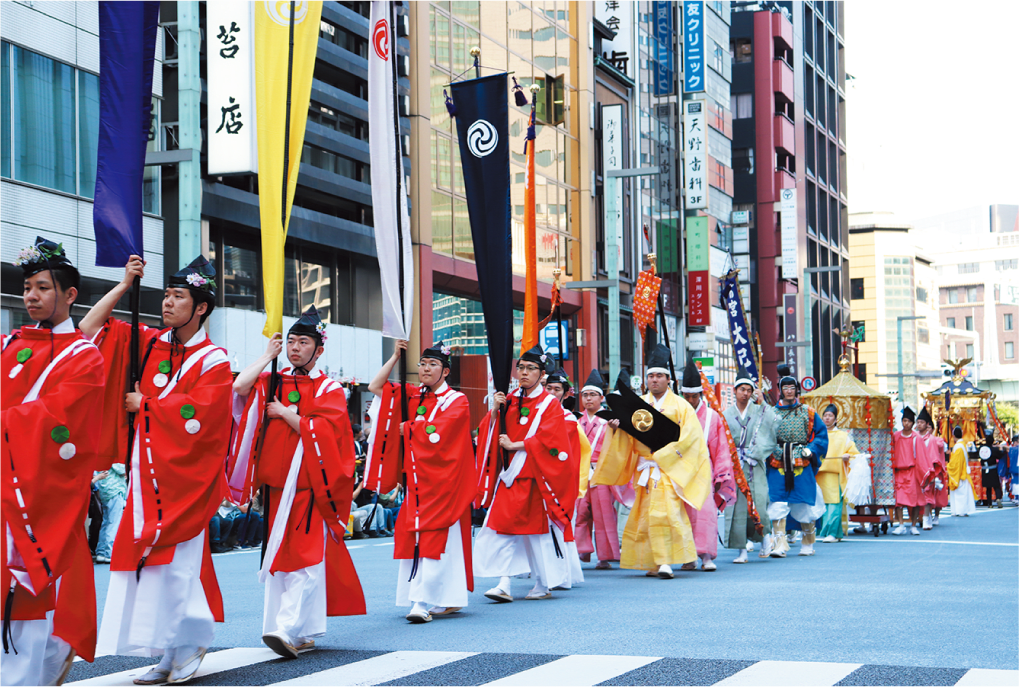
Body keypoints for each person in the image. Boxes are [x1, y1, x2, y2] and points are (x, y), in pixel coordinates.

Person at [84, 255, 232, 684]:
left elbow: (203, 419)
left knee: (177, 568)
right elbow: (89, 329)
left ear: (200, 307)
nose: (167, 303)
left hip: (185, 480)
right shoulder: (148, 343)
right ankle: (171, 651)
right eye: (166, 295)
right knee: (151, 568)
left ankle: (184, 648)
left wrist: (147, 405)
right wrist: (123, 284)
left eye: (178, 296)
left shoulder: (214, 360)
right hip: (145, 475)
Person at [0, 237, 105, 687]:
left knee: (27, 588)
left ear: (69, 294)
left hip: (42, 491)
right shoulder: (9, 345)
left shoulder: (84, 357)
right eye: (27, 287)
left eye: (42, 287)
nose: (31, 296)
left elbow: (60, 420)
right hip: (5, 483)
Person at [230, 307, 365, 657]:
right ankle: (294, 630)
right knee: (279, 557)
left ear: (319, 350)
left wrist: (286, 414)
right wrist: (267, 355)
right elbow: (239, 387)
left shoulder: (329, 388)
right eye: (291, 341)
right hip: (276, 488)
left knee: (305, 558)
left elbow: (328, 434)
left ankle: (288, 628)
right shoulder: (274, 379)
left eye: (303, 342)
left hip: (310, 486)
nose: (294, 348)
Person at [366, 340, 477, 622]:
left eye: (433, 364)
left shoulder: (457, 400)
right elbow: (375, 387)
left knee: (437, 539)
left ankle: (424, 601)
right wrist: (395, 357)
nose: (426, 369)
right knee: (414, 538)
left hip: (444, 482)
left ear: (446, 371)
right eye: (423, 364)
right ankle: (432, 598)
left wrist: (411, 428)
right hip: (417, 481)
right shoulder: (412, 395)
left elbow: (444, 431)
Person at [592, 344, 711, 579]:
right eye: (651, 376)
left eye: (659, 376)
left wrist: (665, 456)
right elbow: (628, 437)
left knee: (666, 513)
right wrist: (616, 429)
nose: (654, 380)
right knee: (645, 515)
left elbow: (691, 438)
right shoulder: (638, 404)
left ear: (668, 379)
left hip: (668, 469)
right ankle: (653, 561)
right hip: (645, 468)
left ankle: (665, 561)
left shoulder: (681, 406)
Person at [474, 345, 578, 601]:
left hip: (536, 477)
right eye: (520, 367)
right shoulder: (509, 399)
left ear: (542, 374)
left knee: (536, 534)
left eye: (531, 368)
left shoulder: (549, 404)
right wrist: (495, 411)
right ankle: (504, 583)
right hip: (509, 477)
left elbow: (552, 440)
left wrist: (516, 445)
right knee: (501, 529)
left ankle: (543, 583)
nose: (523, 372)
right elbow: (487, 432)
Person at [679, 359, 736, 572]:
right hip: (681, 470)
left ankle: (706, 556)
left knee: (705, 514)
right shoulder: (677, 414)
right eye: (686, 396)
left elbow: (720, 448)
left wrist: (721, 474)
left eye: (694, 396)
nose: (690, 400)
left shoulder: (712, 417)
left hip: (704, 471)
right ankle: (688, 556)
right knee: (683, 514)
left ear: (701, 395)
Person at [766, 368, 828, 558]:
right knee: (776, 501)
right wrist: (771, 449)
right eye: (785, 388)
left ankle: (808, 542)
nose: (789, 391)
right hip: (778, 459)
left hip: (802, 460)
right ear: (780, 390)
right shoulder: (771, 413)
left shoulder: (808, 412)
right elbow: (764, 436)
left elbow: (821, 435)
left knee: (804, 502)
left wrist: (810, 450)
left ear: (797, 390)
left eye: (792, 387)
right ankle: (779, 543)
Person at [574, 370, 629, 570]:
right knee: (580, 512)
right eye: (585, 395)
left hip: (601, 472)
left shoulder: (609, 420)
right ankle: (580, 550)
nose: (588, 399)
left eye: (593, 395)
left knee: (603, 514)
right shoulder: (576, 420)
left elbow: (619, 447)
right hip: (581, 473)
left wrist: (615, 431)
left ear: (601, 398)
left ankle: (604, 556)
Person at [539, 369, 587, 589]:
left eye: (557, 389)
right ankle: (542, 571)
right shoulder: (537, 414)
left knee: (559, 522)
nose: (551, 392)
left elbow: (552, 443)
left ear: (566, 394)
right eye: (548, 388)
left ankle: (563, 572)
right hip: (539, 472)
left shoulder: (568, 418)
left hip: (560, 476)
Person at [723, 367, 776, 563]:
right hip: (734, 464)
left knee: (759, 501)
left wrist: (763, 402)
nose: (745, 393)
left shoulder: (760, 411)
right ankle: (742, 551)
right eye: (742, 389)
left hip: (755, 463)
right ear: (735, 391)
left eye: (748, 390)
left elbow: (774, 425)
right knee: (737, 506)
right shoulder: (726, 414)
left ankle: (765, 537)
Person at [817, 404, 857, 543]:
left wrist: (847, 455)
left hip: (835, 474)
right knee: (823, 504)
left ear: (835, 419)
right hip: (819, 474)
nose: (827, 418)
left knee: (834, 504)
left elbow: (854, 453)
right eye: (825, 415)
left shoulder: (842, 436)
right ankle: (835, 532)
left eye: (830, 416)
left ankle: (832, 532)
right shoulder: (817, 434)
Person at [891, 407, 923, 535]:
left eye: (909, 421)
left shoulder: (916, 437)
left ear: (913, 423)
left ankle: (913, 525)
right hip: (899, 471)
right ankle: (901, 524)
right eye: (904, 421)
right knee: (898, 500)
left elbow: (922, 457)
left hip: (912, 471)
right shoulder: (896, 436)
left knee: (915, 500)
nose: (906, 423)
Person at [915, 407, 946, 528]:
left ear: (927, 424)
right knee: (916, 495)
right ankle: (917, 518)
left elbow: (934, 458)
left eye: (922, 422)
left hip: (928, 471)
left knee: (927, 495)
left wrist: (932, 474)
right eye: (918, 422)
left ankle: (926, 519)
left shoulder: (932, 440)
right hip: (916, 470)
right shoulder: (914, 437)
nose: (919, 424)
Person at [93, 463, 128, 564]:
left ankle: (101, 552)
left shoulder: (101, 458)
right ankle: (109, 553)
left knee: (106, 523)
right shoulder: (113, 458)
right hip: (115, 490)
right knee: (113, 523)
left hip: (105, 492)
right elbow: (123, 470)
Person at [948, 426, 977, 516]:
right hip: (963, 472)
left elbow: (956, 463)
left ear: (953, 436)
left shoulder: (958, 447)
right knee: (963, 493)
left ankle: (960, 511)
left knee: (959, 494)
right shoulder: (963, 445)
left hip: (959, 473)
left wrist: (949, 466)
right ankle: (961, 511)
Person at [978, 428, 1004, 508]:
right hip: (993, 469)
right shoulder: (994, 449)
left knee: (988, 487)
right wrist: (1001, 449)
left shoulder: (981, 449)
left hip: (984, 469)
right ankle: (998, 498)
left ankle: (990, 504)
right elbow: (1000, 456)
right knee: (996, 486)